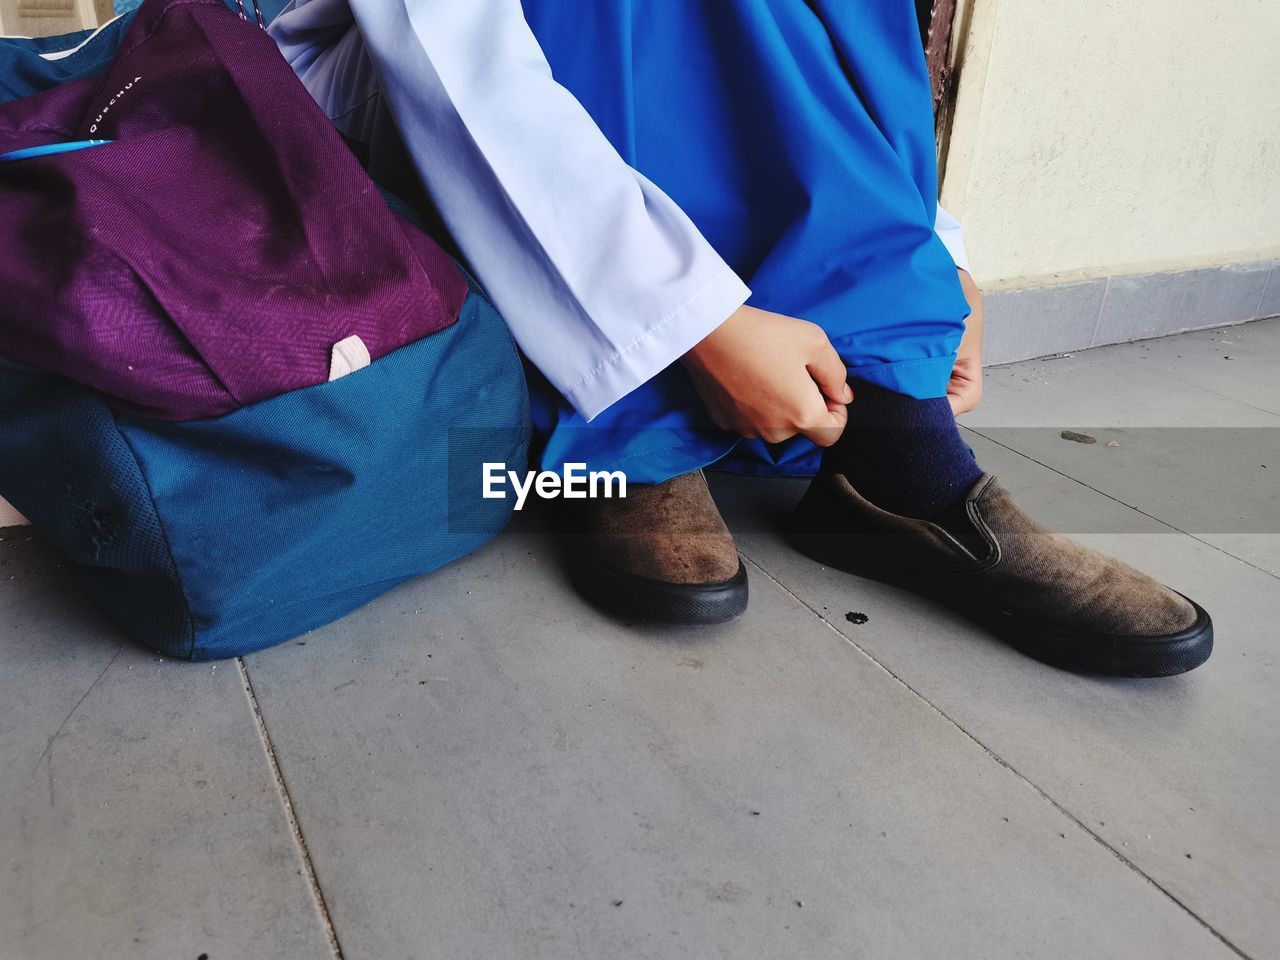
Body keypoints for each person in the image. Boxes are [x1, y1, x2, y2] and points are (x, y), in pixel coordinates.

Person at [268, 0, 1212, 677]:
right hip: (399, 78)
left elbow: (830, 54)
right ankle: (630, 437)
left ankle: (894, 445)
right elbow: (451, 52)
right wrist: (692, 322)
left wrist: (930, 251)